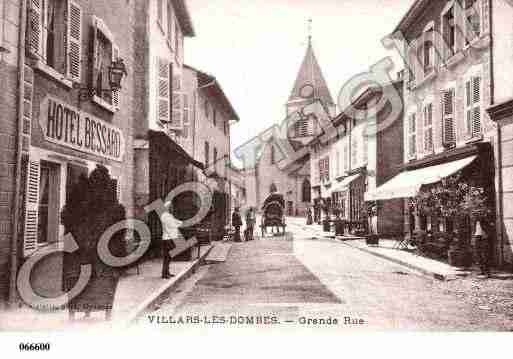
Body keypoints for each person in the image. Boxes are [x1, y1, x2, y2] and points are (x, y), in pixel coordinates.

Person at [160, 203, 182, 279]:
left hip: (170, 238)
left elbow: (175, 221)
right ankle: (164, 274)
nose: (172, 209)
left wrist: (180, 222)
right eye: (171, 207)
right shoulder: (165, 216)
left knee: (169, 257)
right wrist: (179, 224)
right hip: (167, 239)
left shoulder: (169, 216)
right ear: (168, 208)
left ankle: (167, 272)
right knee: (167, 257)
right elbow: (171, 225)